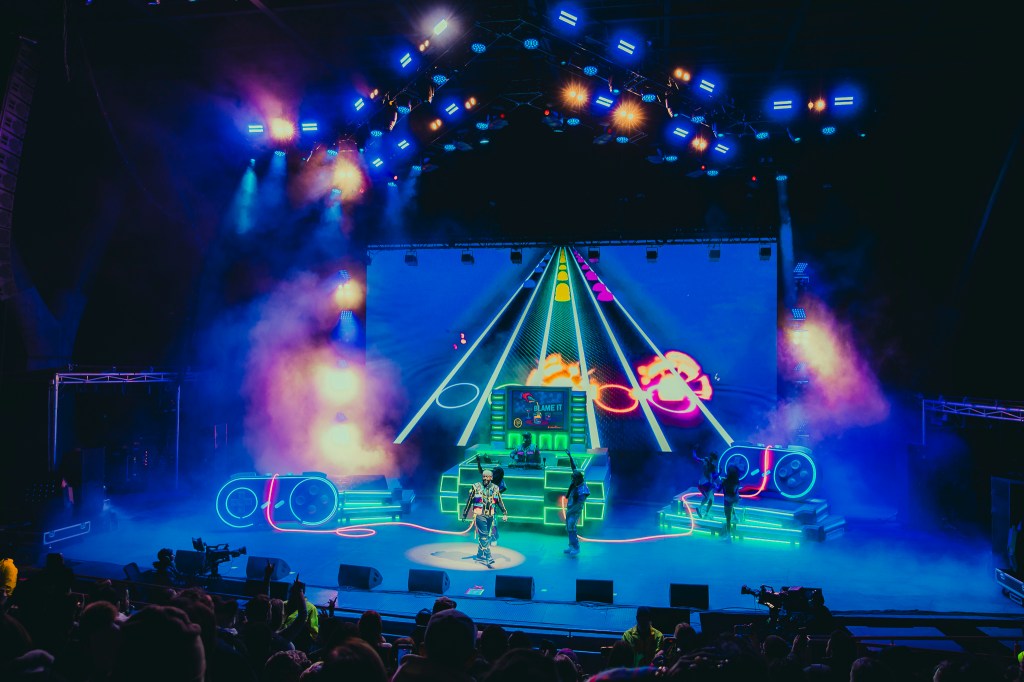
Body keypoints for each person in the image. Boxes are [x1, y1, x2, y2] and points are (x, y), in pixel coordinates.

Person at [461, 465, 507, 567]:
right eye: (484, 476)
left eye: (488, 477)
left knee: (488, 535)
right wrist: (465, 513)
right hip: (480, 515)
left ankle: (480, 552)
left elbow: (499, 501)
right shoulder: (476, 487)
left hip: (490, 514)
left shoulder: (495, 488)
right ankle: (488, 557)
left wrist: (504, 512)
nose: (485, 479)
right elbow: (469, 501)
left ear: (491, 478)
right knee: (484, 535)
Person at [563, 451, 589, 556]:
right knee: (569, 528)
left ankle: (576, 547)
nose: (572, 480)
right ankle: (571, 546)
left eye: (573, 479)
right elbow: (573, 467)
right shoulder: (576, 482)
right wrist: (570, 456)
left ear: (578, 479)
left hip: (575, 511)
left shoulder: (583, 489)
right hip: (570, 509)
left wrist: (569, 512)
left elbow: (579, 505)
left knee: (572, 528)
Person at [476, 455, 507, 545]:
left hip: (492, 505)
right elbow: (481, 472)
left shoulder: (499, 481)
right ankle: (485, 539)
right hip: (483, 503)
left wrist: (496, 494)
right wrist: (478, 463)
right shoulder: (489, 478)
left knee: (493, 522)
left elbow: (504, 488)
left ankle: (493, 538)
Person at [692, 447, 720, 519]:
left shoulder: (705, 460)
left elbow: (695, 458)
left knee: (711, 499)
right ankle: (700, 508)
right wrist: (719, 473)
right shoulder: (712, 465)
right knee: (708, 498)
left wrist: (694, 451)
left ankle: (706, 513)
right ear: (715, 458)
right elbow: (713, 476)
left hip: (701, 483)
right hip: (707, 484)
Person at [721, 464, 741, 538]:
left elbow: (722, 491)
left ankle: (728, 535)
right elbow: (735, 491)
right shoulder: (737, 481)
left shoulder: (725, 481)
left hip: (728, 498)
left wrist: (721, 484)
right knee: (731, 506)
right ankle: (735, 516)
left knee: (728, 518)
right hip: (735, 498)